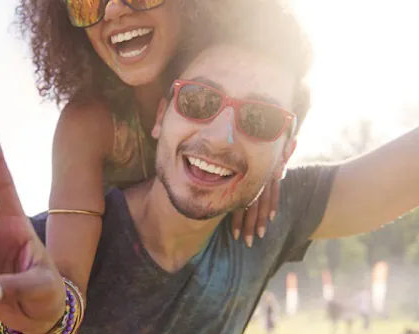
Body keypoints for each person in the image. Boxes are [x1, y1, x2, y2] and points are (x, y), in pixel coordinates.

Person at [0, 1, 419, 334]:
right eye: (199, 101)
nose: (221, 134)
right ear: (163, 111)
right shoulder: (37, 243)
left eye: (259, 118)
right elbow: (57, 300)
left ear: (288, 148)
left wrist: (254, 175)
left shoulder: (273, 214)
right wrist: (42, 326)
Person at [16, 0, 280, 301]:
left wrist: (263, 166)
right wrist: (45, 317)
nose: (113, 9)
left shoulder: (248, 110)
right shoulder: (87, 124)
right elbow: (66, 286)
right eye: (85, 2)